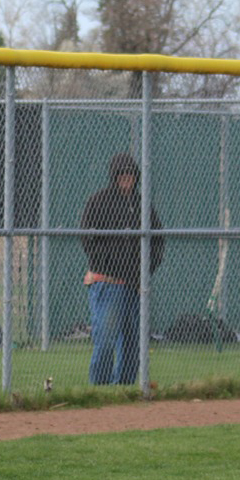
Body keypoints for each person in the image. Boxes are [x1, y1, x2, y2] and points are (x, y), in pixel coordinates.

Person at [80, 151, 164, 386]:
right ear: (114, 176)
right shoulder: (99, 201)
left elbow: (158, 241)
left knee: (133, 340)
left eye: (130, 174)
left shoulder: (142, 205)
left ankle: (124, 386)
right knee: (105, 339)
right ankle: (100, 386)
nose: (126, 178)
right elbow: (88, 240)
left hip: (135, 285)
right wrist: (111, 264)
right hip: (107, 282)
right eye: (122, 174)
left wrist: (144, 271)